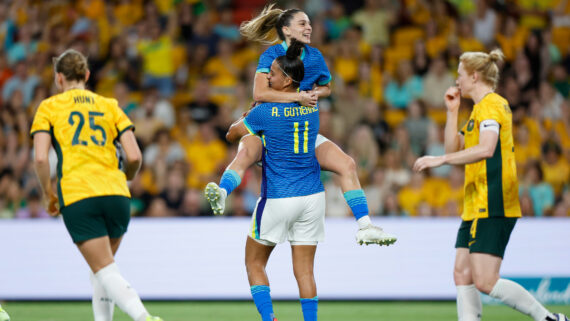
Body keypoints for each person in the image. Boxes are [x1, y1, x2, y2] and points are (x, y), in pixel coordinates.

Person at [205, 4, 396, 246]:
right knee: (245, 153)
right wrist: (299, 97)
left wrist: (316, 93)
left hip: (298, 129)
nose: (309, 27)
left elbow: (327, 86)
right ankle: (222, 193)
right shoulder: (271, 55)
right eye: (302, 24)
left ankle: (365, 226)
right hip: (269, 123)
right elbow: (260, 92)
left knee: (347, 164)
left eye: (309, 23)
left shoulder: (315, 56)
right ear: (286, 29)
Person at [413, 49, 568, 321]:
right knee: (461, 272)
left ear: (474, 76)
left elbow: (486, 149)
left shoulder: (492, 105)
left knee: (485, 281)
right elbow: (454, 147)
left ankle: (548, 318)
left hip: (494, 200)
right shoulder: (476, 112)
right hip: (475, 204)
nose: (457, 79)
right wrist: (452, 112)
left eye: (460, 74)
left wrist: (440, 159)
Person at [30, 49, 163, 321]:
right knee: (102, 269)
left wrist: (47, 193)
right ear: (87, 75)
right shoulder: (109, 105)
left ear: (58, 79)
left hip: (79, 194)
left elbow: (41, 158)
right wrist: (126, 176)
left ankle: (143, 317)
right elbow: (134, 155)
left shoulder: (49, 107)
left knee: (104, 269)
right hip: (116, 194)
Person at [224, 38, 322, 321]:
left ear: (288, 80)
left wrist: (249, 116)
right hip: (313, 196)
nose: (268, 76)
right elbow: (293, 104)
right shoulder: (312, 106)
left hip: (280, 195)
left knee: (254, 263)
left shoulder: (265, 112)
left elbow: (232, 133)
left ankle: (270, 319)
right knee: (304, 271)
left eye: (274, 74)